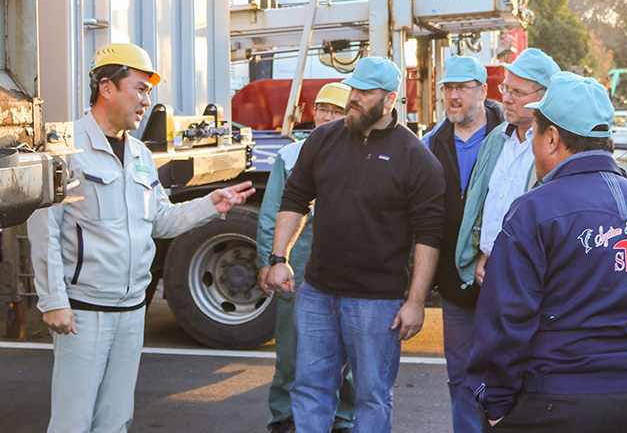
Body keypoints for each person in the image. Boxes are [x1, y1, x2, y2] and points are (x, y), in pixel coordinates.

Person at [28, 42, 255, 433]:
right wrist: (53, 301)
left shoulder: (140, 154)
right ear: (107, 88)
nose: (146, 100)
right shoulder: (63, 148)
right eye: (140, 88)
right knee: (72, 421)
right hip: (84, 313)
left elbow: (161, 221)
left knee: (116, 420)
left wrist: (209, 204)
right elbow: (44, 229)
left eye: (149, 91)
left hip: (132, 312)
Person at [468, 71, 627, 432]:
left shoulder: (534, 210)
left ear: (552, 138)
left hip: (552, 399)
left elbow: (505, 320)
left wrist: (495, 402)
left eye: (536, 133)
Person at [264, 56, 445, 433]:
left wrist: (415, 302)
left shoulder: (415, 157)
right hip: (317, 294)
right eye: (353, 89)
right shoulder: (323, 139)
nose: (354, 98)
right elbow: (295, 198)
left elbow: (429, 234)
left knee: (371, 396)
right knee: (310, 388)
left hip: (377, 302)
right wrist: (278, 257)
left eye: (365, 92)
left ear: (390, 99)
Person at [256, 82, 356, 433]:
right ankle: (283, 418)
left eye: (337, 110)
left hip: (342, 267)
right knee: (291, 353)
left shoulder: (359, 153)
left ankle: (343, 419)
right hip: (296, 266)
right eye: (322, 109)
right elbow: (272, 214)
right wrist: (268, 262)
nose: (327, 117)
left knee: (345, 356)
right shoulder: (291, 156)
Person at [424, 55, 504, 433]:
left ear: (483, 91)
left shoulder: (510, 138)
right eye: (448, 88)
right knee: (461, 377)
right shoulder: (430, 144)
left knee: (507, 375)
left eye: (462, 88)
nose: (453, 96)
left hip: (501, 283)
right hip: (455, 287)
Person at [454, 48, 560, 289]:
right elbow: (481, 204)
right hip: (491, 273)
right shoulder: (495, 139)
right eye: (506, 89)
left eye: (518, 93)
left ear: (545, 97)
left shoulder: (554, 146)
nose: (507, 99)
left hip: (533, 279)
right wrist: (484, 251)